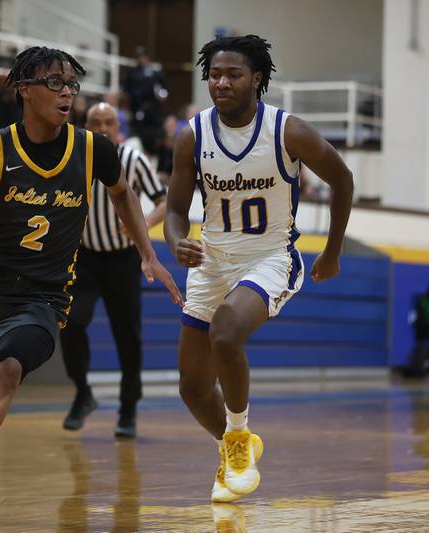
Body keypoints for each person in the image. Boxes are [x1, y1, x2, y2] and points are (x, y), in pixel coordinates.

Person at [0, 46, 183, 527]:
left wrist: (148, 253)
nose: (67, 92)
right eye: (54, 82)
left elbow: (124, 194)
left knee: (7, 372)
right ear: (24, 89)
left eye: (71, 84)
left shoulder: (93, 149)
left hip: (44, 295)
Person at [164, 35, 353, 503]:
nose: (222, 83)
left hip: (269, 257)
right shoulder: (193, 135)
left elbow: (343, 179)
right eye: (214, 75)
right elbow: (175, 210)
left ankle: (237, 433)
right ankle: (233, 446)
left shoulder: (288, 131)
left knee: (226, 334)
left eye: (234, 74)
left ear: (257, 79)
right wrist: (175, 241)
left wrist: (332, 252)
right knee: (191, 387)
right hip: (212, 261)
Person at [60, 102, 168, 439]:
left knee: (128, 337)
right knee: (70, 323)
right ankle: (83, 393)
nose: (103, 128)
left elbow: (163, 201)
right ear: (86, 127)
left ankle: (128, 409)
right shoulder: (72, 157)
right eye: (96, 122)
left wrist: (143, 223)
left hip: (123, 260)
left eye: (109, 122)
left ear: (119, 129)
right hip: (85, 258)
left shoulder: (133, 160)